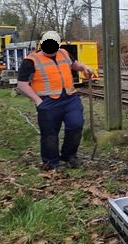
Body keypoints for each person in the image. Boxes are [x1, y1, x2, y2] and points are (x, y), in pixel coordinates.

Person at [16, 30, 94, 170]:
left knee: (76, 125)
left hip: (70, 98)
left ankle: (69, 155)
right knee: (50, 134)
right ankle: (51, 162)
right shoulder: (31, 60)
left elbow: (74, 64)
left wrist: (84, 67)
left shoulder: (64, 53)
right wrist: (37, 101)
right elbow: (22, 84)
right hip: (48, 102)